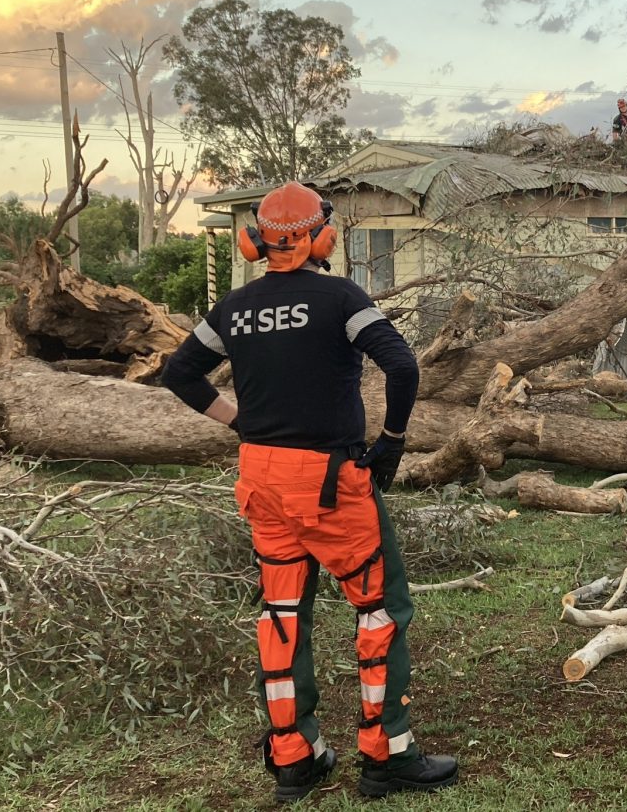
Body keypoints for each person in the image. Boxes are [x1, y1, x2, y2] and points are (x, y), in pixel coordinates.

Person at [161, 182, 457, 803]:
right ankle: (387, 755)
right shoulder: (340, 298)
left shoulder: (235, 308)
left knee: (283, 614)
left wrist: (238, 419)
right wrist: (392, 443)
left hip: (261, 479)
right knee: (379, 611)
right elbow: (402, 366)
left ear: (256, 241)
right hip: (329, 483)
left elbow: (179, 372)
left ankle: (294, 757)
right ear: (322, 236)